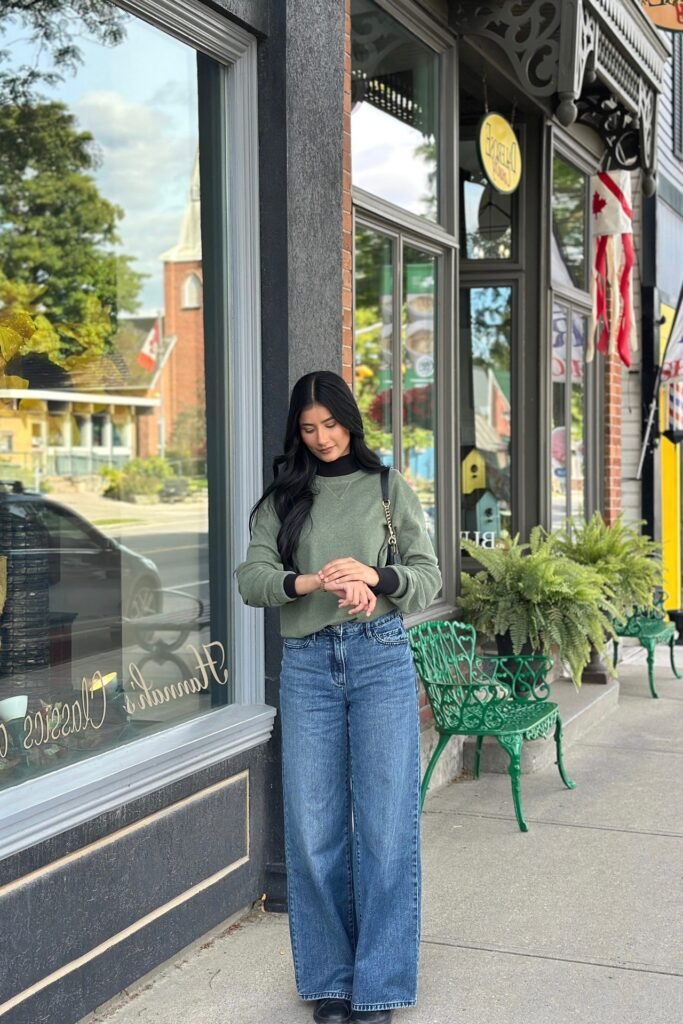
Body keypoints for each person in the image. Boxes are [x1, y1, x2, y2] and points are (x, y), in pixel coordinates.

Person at [237, 371, 441, 1024]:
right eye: (308, 428)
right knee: (313, 828)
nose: (322, 438)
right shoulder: (284, 498)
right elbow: (251, 578)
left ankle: (378, 985)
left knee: (385, 826)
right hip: (307, 667)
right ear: (296, 433)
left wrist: (373, 577)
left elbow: (427, 576)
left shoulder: (386, 486)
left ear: (350, 421)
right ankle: (330, 980)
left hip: (379, 657)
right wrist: (312, 582)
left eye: (330, 424)